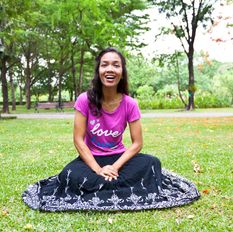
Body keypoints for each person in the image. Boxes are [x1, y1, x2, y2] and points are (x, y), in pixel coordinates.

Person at [22, 47, 200, 211]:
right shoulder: (84, 100)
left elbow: (137, 143)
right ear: (98, 71)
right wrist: (98, 170)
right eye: (104, 64)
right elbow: (78, 139)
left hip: (118, 159)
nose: (110, 69)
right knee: (70, 174)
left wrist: (114, 167)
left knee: (152, 163)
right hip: (90, 159)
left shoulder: (130, 104)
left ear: (122, 73)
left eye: (116, 65)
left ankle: (100, 187)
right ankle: (120, 187)